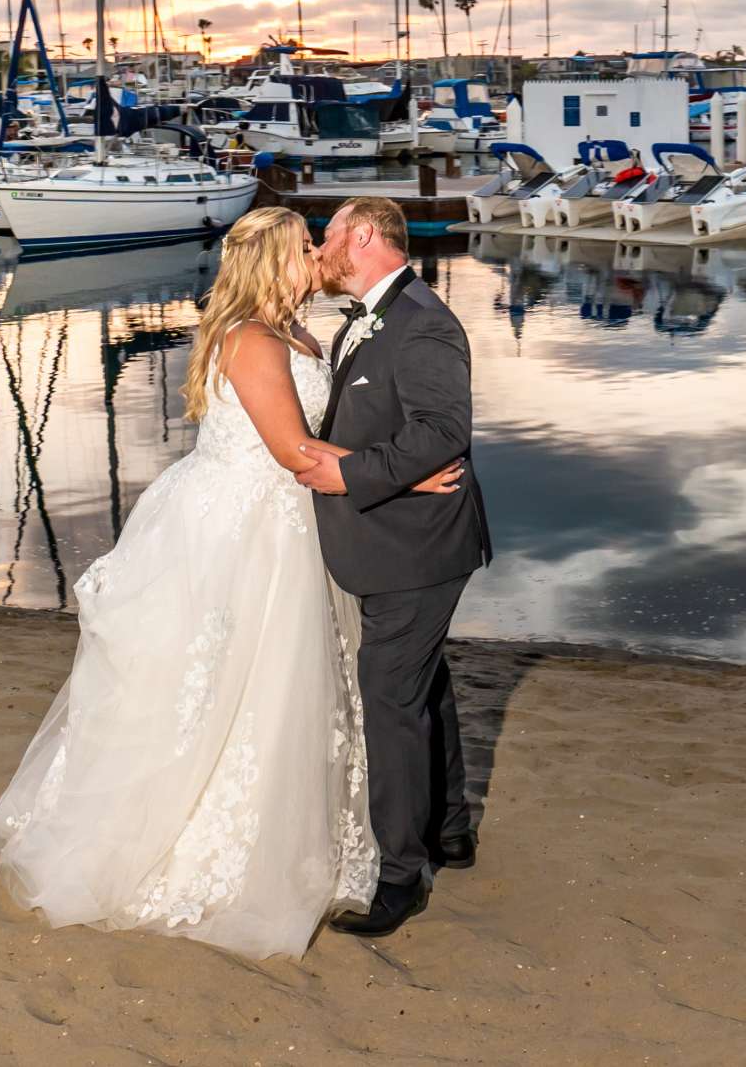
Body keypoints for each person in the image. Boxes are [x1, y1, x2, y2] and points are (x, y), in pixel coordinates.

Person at [0, 208, 463, 959]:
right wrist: (409, 481)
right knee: (238, 683)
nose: (317, 256)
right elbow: (292, 449)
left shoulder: (303, 330)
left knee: (314, 682)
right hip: (247, 526)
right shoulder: (249, 339)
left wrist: (392, 471)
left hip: (295, 522)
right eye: (306, 247)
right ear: (274, 261)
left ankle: (422, 826)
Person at [295, 196, 491, 938]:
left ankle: (401, 876)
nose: (322, 248)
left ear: (365, 236)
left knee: (388, 690)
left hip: (419, 544)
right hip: (394, 539)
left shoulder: (424, 323)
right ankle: (450, 828)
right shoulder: (371, 319)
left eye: (329, 235)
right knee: (422, 681)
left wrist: (354, 477)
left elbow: (445, 432)